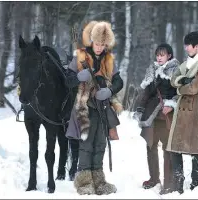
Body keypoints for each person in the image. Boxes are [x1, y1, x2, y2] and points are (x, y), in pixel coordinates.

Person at [65, 21, 123, 195]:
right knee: (86, 144)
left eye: (103, 45)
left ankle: (99, 182)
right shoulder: (81, 57)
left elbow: (119, 81)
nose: (99, 48)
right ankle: (84, 183)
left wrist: (109, 91)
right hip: (85, 107)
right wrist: (78, 77)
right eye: (97, 44)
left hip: (103, 108)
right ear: (92, 41)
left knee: (100, 144)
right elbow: (67, 80)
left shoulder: (108, 59)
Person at [166, 31, 198, 194]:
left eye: (188, 45)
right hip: (183, 110)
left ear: (197, 46)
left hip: (196, 110)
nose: (186, 48)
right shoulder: (188, 63)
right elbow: (173, 79)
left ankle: (196, 185)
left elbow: (194, 87)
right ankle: (178, 183)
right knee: (174, 148)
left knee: (196, 150)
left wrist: (181, 88)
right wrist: (182, 82)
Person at [133, 44, 180, 195]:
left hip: (167, 115)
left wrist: (171, 105)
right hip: (151, 115)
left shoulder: (175, 70)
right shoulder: (151, 71)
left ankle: (169, 183)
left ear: (169, 56)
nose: (159, 57)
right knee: (150, 146)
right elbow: (145, 93)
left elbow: (180, 93)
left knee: (167, 148)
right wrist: (140, 109)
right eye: (157, 55)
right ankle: (154, 178)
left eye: (162, 54)